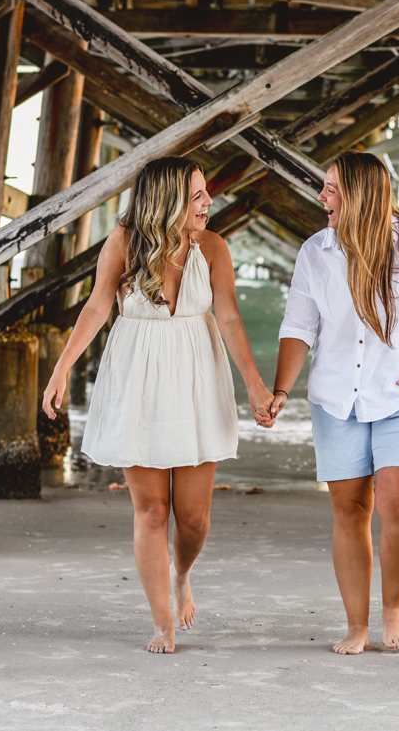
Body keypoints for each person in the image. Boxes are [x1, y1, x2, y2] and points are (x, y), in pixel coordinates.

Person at [43, 157, 274, 654]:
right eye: (196, 195)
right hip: (138, 376)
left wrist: (255, 385)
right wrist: (61, 368)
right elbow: (97, 306)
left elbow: (230, 318)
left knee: (193, 520)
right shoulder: (123, 244)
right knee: (151, 512)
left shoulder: (212, 248)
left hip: (197, 378)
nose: (208, 202)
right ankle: (161, 623)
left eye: (205, 193)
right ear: (166, 200)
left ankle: (182, 573)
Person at [265, 151, 399, 655]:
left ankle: (392, 608)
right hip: (336, 398)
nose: (321, 197)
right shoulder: (316, 252)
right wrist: (281, 390)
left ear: (359, 194)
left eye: (331, 188)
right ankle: (356, 624)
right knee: (350, 509)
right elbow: (298, 326)